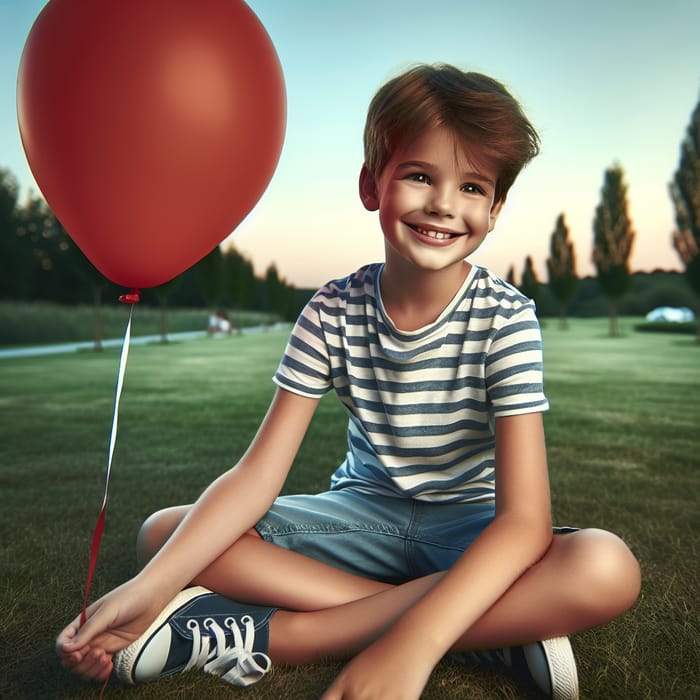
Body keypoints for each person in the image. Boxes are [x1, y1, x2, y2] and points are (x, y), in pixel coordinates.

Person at [57, 64, 641, 700]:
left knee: (605, 567)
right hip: (362, 518)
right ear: (373, 185)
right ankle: (492, 630)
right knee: (164, 536)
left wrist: (413, 647)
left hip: (469, 531)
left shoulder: (507, 318)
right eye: (420, 175)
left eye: (473, 187)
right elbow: (257, 477)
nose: (444, 203)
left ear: (496, 209)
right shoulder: (332, 310)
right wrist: (149, 591)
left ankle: (284, 638)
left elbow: (524, 525)